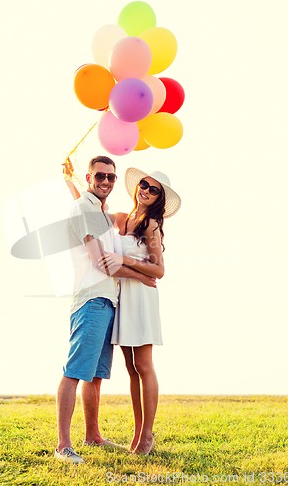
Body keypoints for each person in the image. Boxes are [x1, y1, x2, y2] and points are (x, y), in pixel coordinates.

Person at [55, 156, 157, 464]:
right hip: (91, 301)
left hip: (107, 302)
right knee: (75, 372)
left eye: (111, 178)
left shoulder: (97, 211)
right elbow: (101, 262)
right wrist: (143, 276)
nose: (106, 181)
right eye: (100, 176)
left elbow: (85, 206)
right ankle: (63, 445)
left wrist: (69, 181)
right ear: (90, 178)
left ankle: (92, 435)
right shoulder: (87, 209)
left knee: (95, 376)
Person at [98, 168, 181, 455]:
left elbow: (159, 270)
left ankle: (147, 435)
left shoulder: (151, 225)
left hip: (142, 297)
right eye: (143, 184)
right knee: (131, 369)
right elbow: (91, 211)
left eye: (153, 189)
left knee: (144, 366)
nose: (145, 189)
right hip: (124, 296)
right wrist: (70, 181)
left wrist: (122, 258)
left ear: (159, 199)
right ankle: (137, 434)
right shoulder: (123, 218)